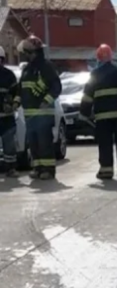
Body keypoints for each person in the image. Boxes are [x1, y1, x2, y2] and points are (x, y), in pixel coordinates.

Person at [79, 44, 117, 180]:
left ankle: (106, 170)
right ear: (111, 58)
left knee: (105, 144)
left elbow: (87, 96)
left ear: (98, 59)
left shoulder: (94, 75)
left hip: (102, 118)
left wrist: (84, 113)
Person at [16, 35, 61, 180]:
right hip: (29, 115)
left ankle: (48, 169)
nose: (26, 55)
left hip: (43, 113)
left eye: (27, 52)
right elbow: (20, 89)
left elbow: (56, 86)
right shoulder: (27, 70)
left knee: (44, 143)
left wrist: (46, 100)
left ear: (34, 52)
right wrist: (16, 102)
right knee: (34, 143)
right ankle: (37, 168)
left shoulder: (46, 67)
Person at [0, 46, 20, 178]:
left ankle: (10, 169)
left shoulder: (9, 75)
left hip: (7, 117)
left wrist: (14, 104)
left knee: (9, 145)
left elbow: (17, 93)